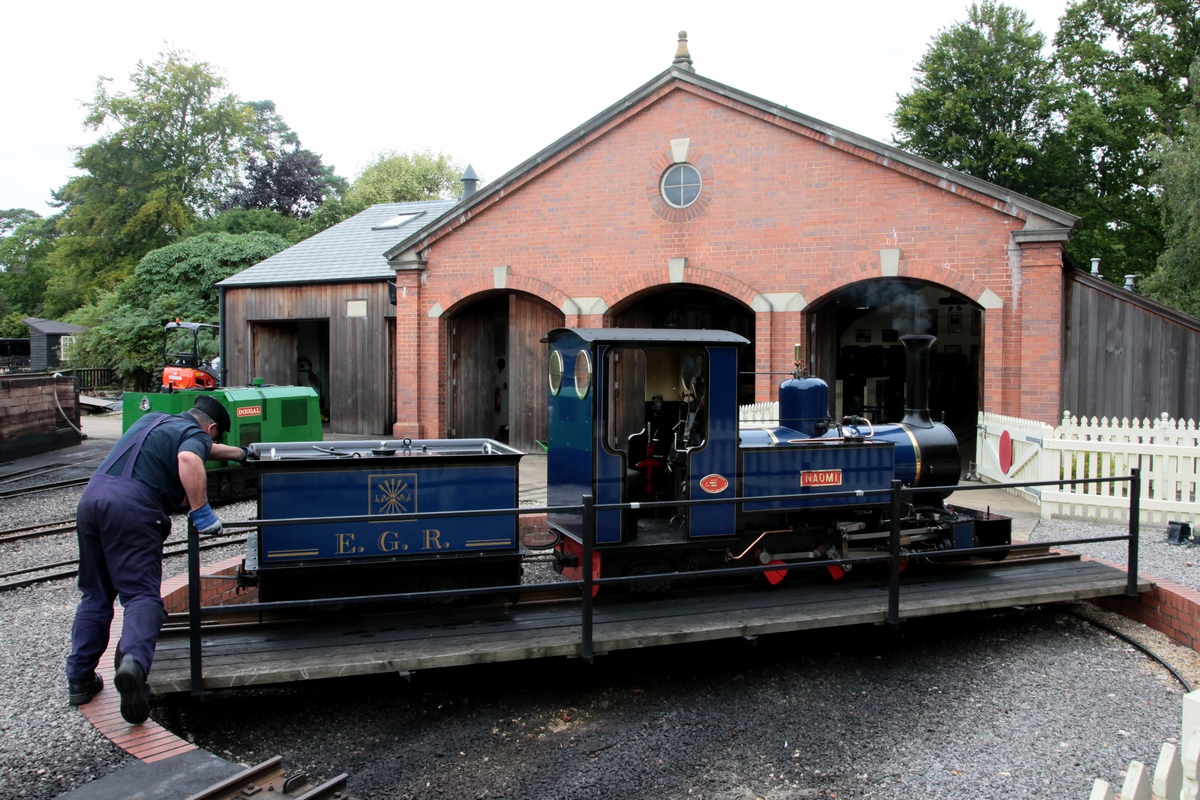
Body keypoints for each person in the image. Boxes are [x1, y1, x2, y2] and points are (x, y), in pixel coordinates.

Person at [65, 395, 247, 724]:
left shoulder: (153, 421)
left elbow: (198, 449)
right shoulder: (197, 437)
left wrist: (240, 454)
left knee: (95, 593)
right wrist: (201, 512)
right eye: (215, 439)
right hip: (133, 509)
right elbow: (191, 457)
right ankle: (133, 664)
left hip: (93, 499)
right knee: (141, 596)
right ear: (212, 428)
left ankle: (80, 678)